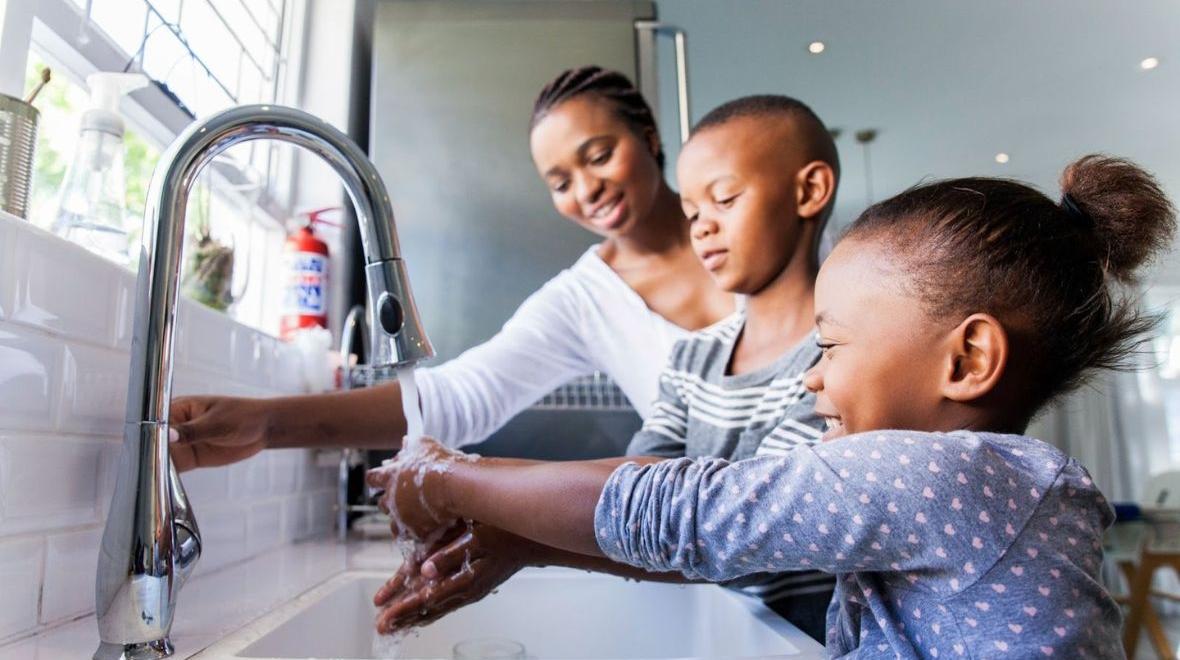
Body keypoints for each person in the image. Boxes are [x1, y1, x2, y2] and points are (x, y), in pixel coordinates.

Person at [371, 154, 1175, 658]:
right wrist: (526, 545)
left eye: (830, 347)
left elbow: (692, 512)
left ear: (967, 359)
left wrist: (447, 474)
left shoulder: (948, 475)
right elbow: (742, 542)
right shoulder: (969, 488)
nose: (811, 378)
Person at [372, 94, 842, 641]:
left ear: (808, 191)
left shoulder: (840, 361)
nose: (702, 228)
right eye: (692, 212)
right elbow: (642, 487)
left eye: (725, 199)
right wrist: (520, 539)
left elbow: (734, 524)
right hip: (731, 634)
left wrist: (454, 481)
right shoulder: (693, 360)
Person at [167, 66, 733, 469]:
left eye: (600, 155)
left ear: (649, 138)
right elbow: (459, 397)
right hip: (747, 571)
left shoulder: (743, 220)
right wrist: (267, 424)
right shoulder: (583, 301)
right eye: (560, 183)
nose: (587, 190)